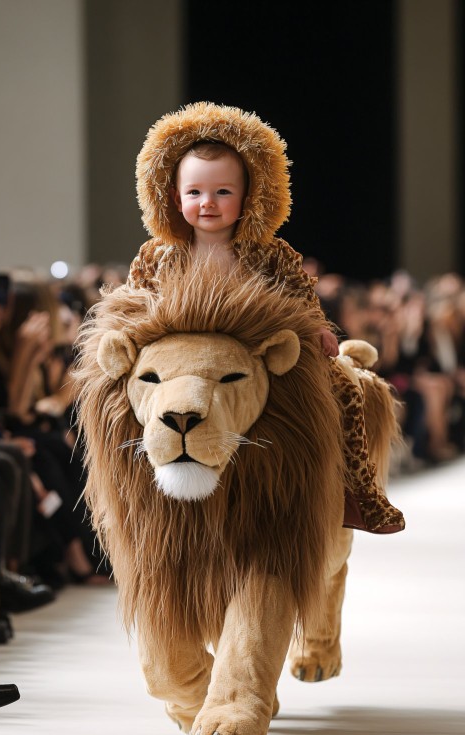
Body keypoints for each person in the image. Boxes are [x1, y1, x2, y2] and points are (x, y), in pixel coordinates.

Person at [126, 102, 405, 534]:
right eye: (195, 192)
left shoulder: (269, 253)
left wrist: (315, 326)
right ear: (174, 196)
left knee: (344, 387)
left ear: (248, 196)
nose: (208, 203)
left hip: (252, 358)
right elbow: (135, 303)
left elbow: (298, 293)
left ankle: (357, 490)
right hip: (183, 364)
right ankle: (124, 508)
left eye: (223, 192)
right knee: (115, 401)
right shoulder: (157, 255)